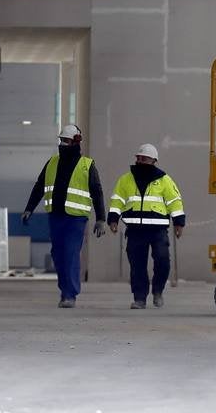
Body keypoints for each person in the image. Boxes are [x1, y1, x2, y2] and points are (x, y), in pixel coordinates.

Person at [22, 124, 107, 307]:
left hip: (76, 218)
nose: (62, 145)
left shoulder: (87, 165)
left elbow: (97, 191)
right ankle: (64, 290)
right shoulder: (52, 162)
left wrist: (101, 219)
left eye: (66, 141)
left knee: (70, 253)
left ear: (76, 142)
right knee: (58, 254)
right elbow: (39, 186)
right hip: (56, 216)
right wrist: (29, 208)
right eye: (61, 141)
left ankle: (70, 294)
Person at [107, 143, 186, 309]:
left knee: (163, 261)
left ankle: (158, 291)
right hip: (135, 231)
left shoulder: (164, 180)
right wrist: (113, 218)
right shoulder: (126, 179)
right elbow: (117, 200)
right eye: (139, 158)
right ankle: (139, 298)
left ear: (154, 160)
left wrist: (179, 223)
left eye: (144, 158)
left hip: (158, 231)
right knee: (137, 266)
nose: (141, 160)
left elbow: (174, 202)